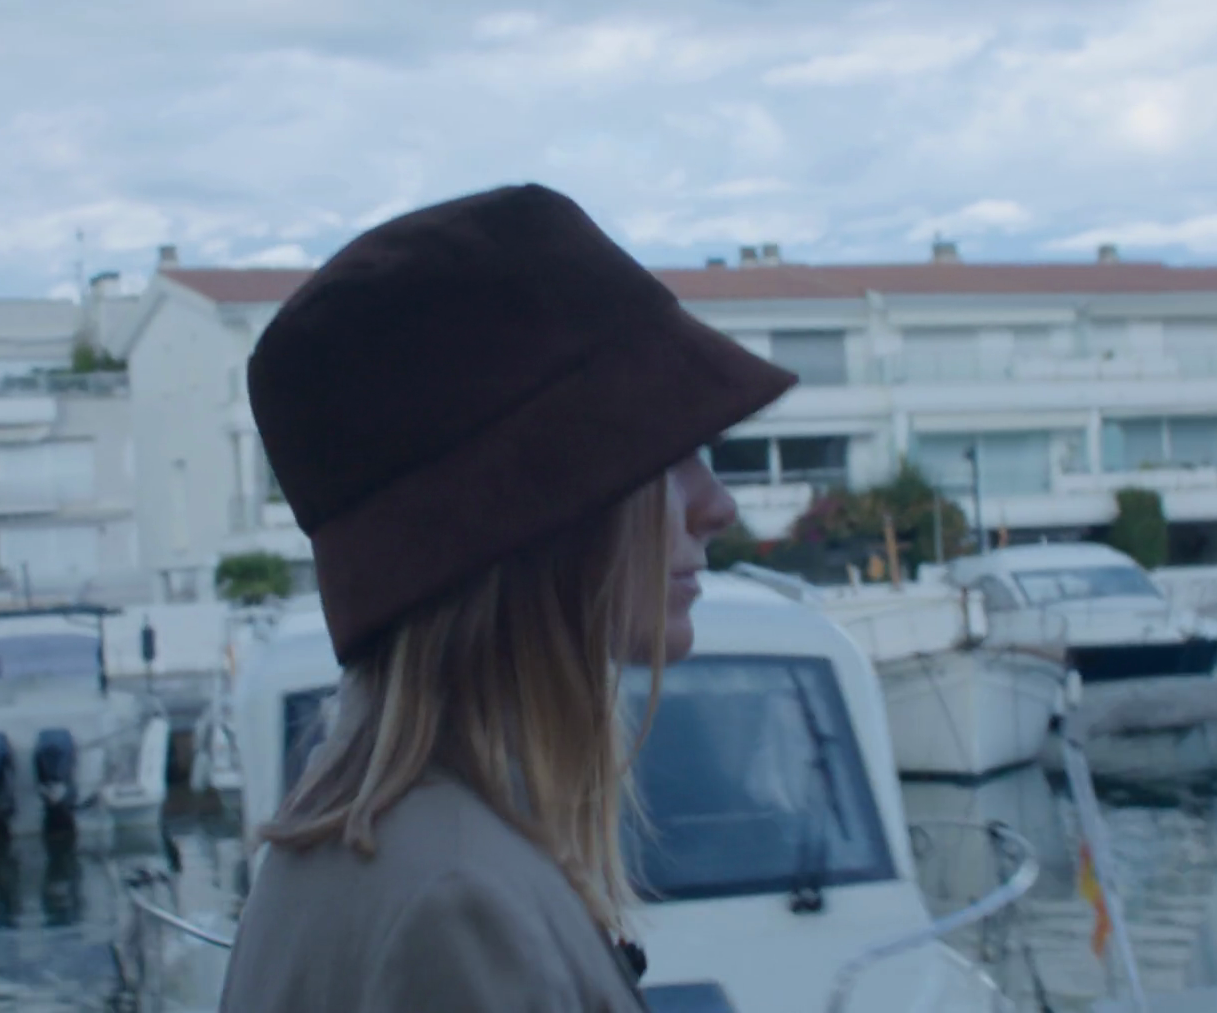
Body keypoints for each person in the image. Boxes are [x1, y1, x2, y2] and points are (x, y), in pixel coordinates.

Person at [217, 183, 798, 1011]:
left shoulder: (389, 841)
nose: (718, 506)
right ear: (531, 518)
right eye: (665, 454)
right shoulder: (458, 906)